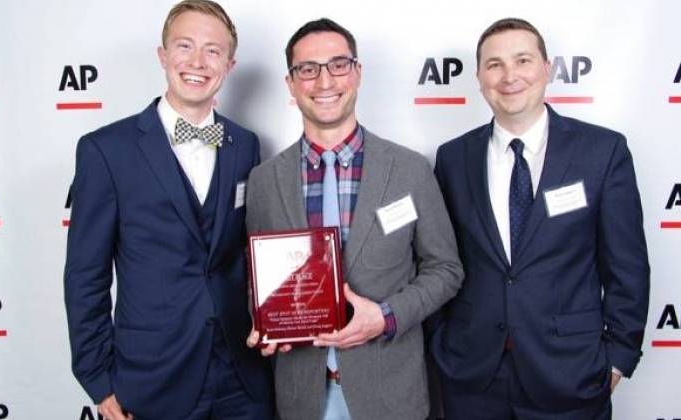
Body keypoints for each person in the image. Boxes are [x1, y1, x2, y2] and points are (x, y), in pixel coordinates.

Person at [431, 17, 650, 419]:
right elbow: (438, 261)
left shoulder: (602, 152)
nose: (509, 76)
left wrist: (616, 361)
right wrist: (441, 348)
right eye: (494, 64)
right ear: (479, 77)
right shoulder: (452, 158)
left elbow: (627, 268)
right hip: (471, 378)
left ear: (546, 69)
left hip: (572, 376)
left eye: (523, 60)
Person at [244, 18, 463, 420]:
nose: (324, 81)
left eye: (338, 65)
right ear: (291, 84)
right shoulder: (263, 180)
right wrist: (265, 325)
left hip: (391, 394)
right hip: (301, 398)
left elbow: (445, 269)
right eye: (307, 69)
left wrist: (385, 317)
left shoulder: (409, 170)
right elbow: (257, 279)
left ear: (357, 73)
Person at [63, 1, 273, 419]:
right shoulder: (106, 150)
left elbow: (248, 253)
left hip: (242, 376)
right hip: (152, 380)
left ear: (229, 66)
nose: (198, 61)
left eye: (213, 51)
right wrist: (100, 382)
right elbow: (85, 277)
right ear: (163, 56)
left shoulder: (245, 144)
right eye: (184, 46)